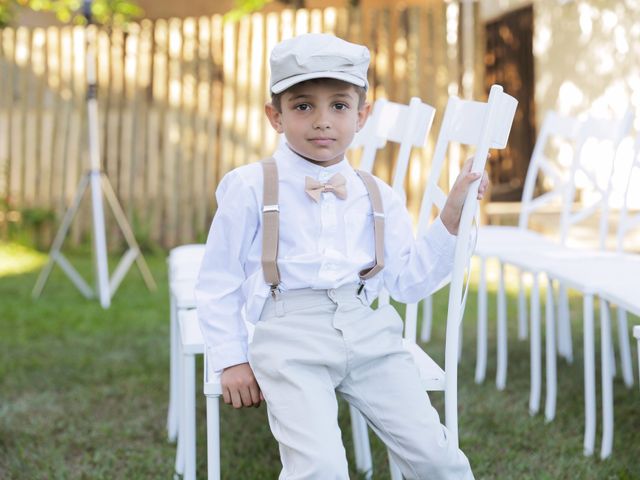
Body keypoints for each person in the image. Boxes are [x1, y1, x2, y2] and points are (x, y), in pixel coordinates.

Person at [196, 33, 484, 479]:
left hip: (368, 329)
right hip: (288, 334)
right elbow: (218, 280)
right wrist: (231, 357)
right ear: (275, 116)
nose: (323, 121)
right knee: (321, 468)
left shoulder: (377, 194)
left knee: (436, 456)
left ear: (361, 115)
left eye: (340, 105)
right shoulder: (250, 186)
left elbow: (407, 281)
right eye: (303, 105)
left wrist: (450, 217)